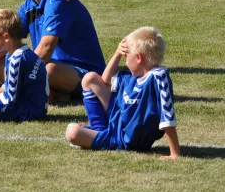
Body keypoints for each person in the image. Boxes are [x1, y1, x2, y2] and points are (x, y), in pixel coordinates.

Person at [65, 27, 180, 159]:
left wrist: (174, 153)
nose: (125, 61)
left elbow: (167, 117)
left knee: (72, 132)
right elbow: (105, 79)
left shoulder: (158, 77)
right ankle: (97, 130)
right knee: (90, 79)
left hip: (124, 141)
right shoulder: (129, 78)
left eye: (126, 56)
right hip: (116, 125)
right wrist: (117, 54)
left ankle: (90, 136)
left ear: (138, 58)